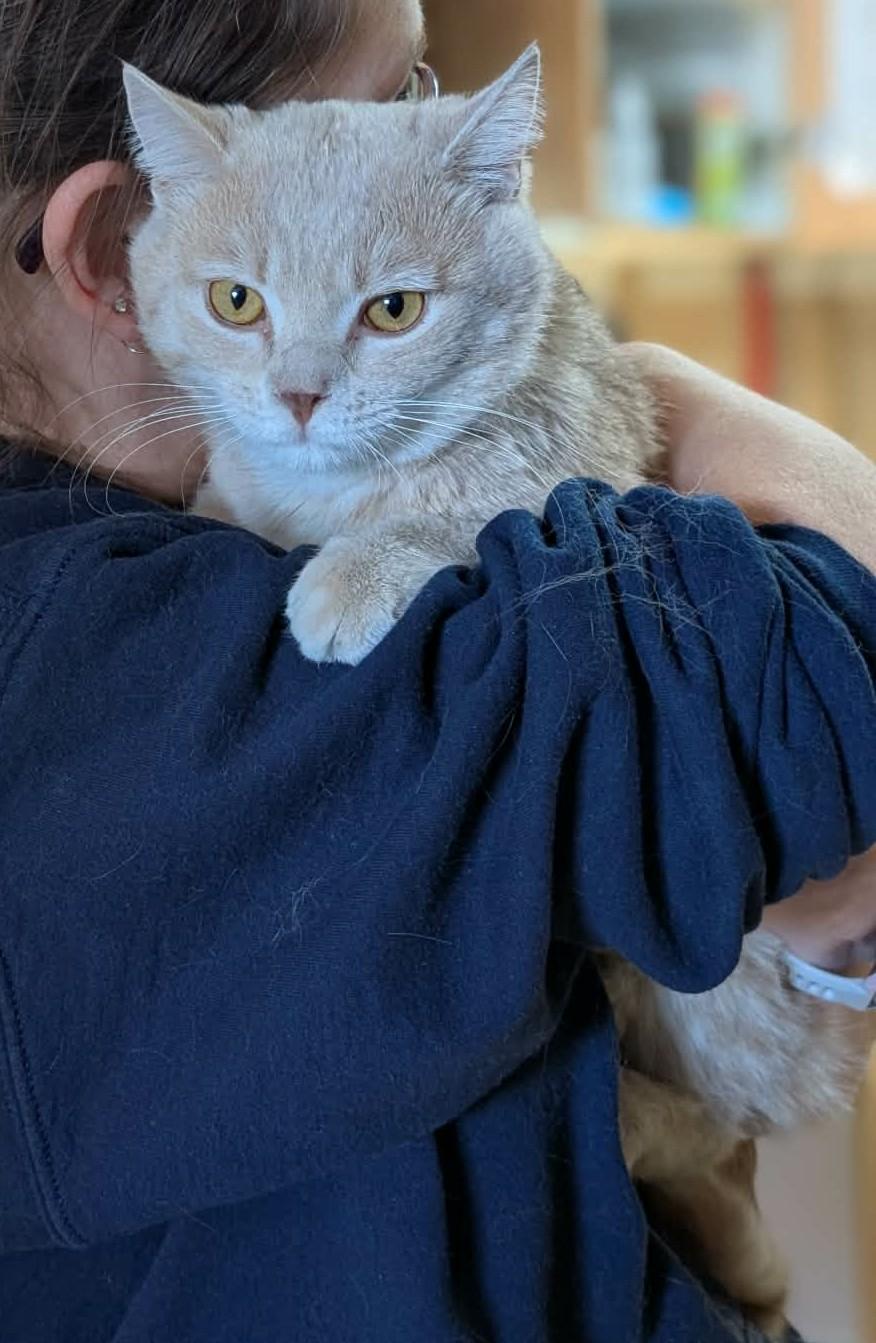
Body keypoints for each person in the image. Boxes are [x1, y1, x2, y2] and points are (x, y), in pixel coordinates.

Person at [0, 3, 873, 1341]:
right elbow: (815, 686)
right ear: (114, 244)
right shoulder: (201, 672)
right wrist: (718, 422)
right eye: (399, 87)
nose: (297, 390)